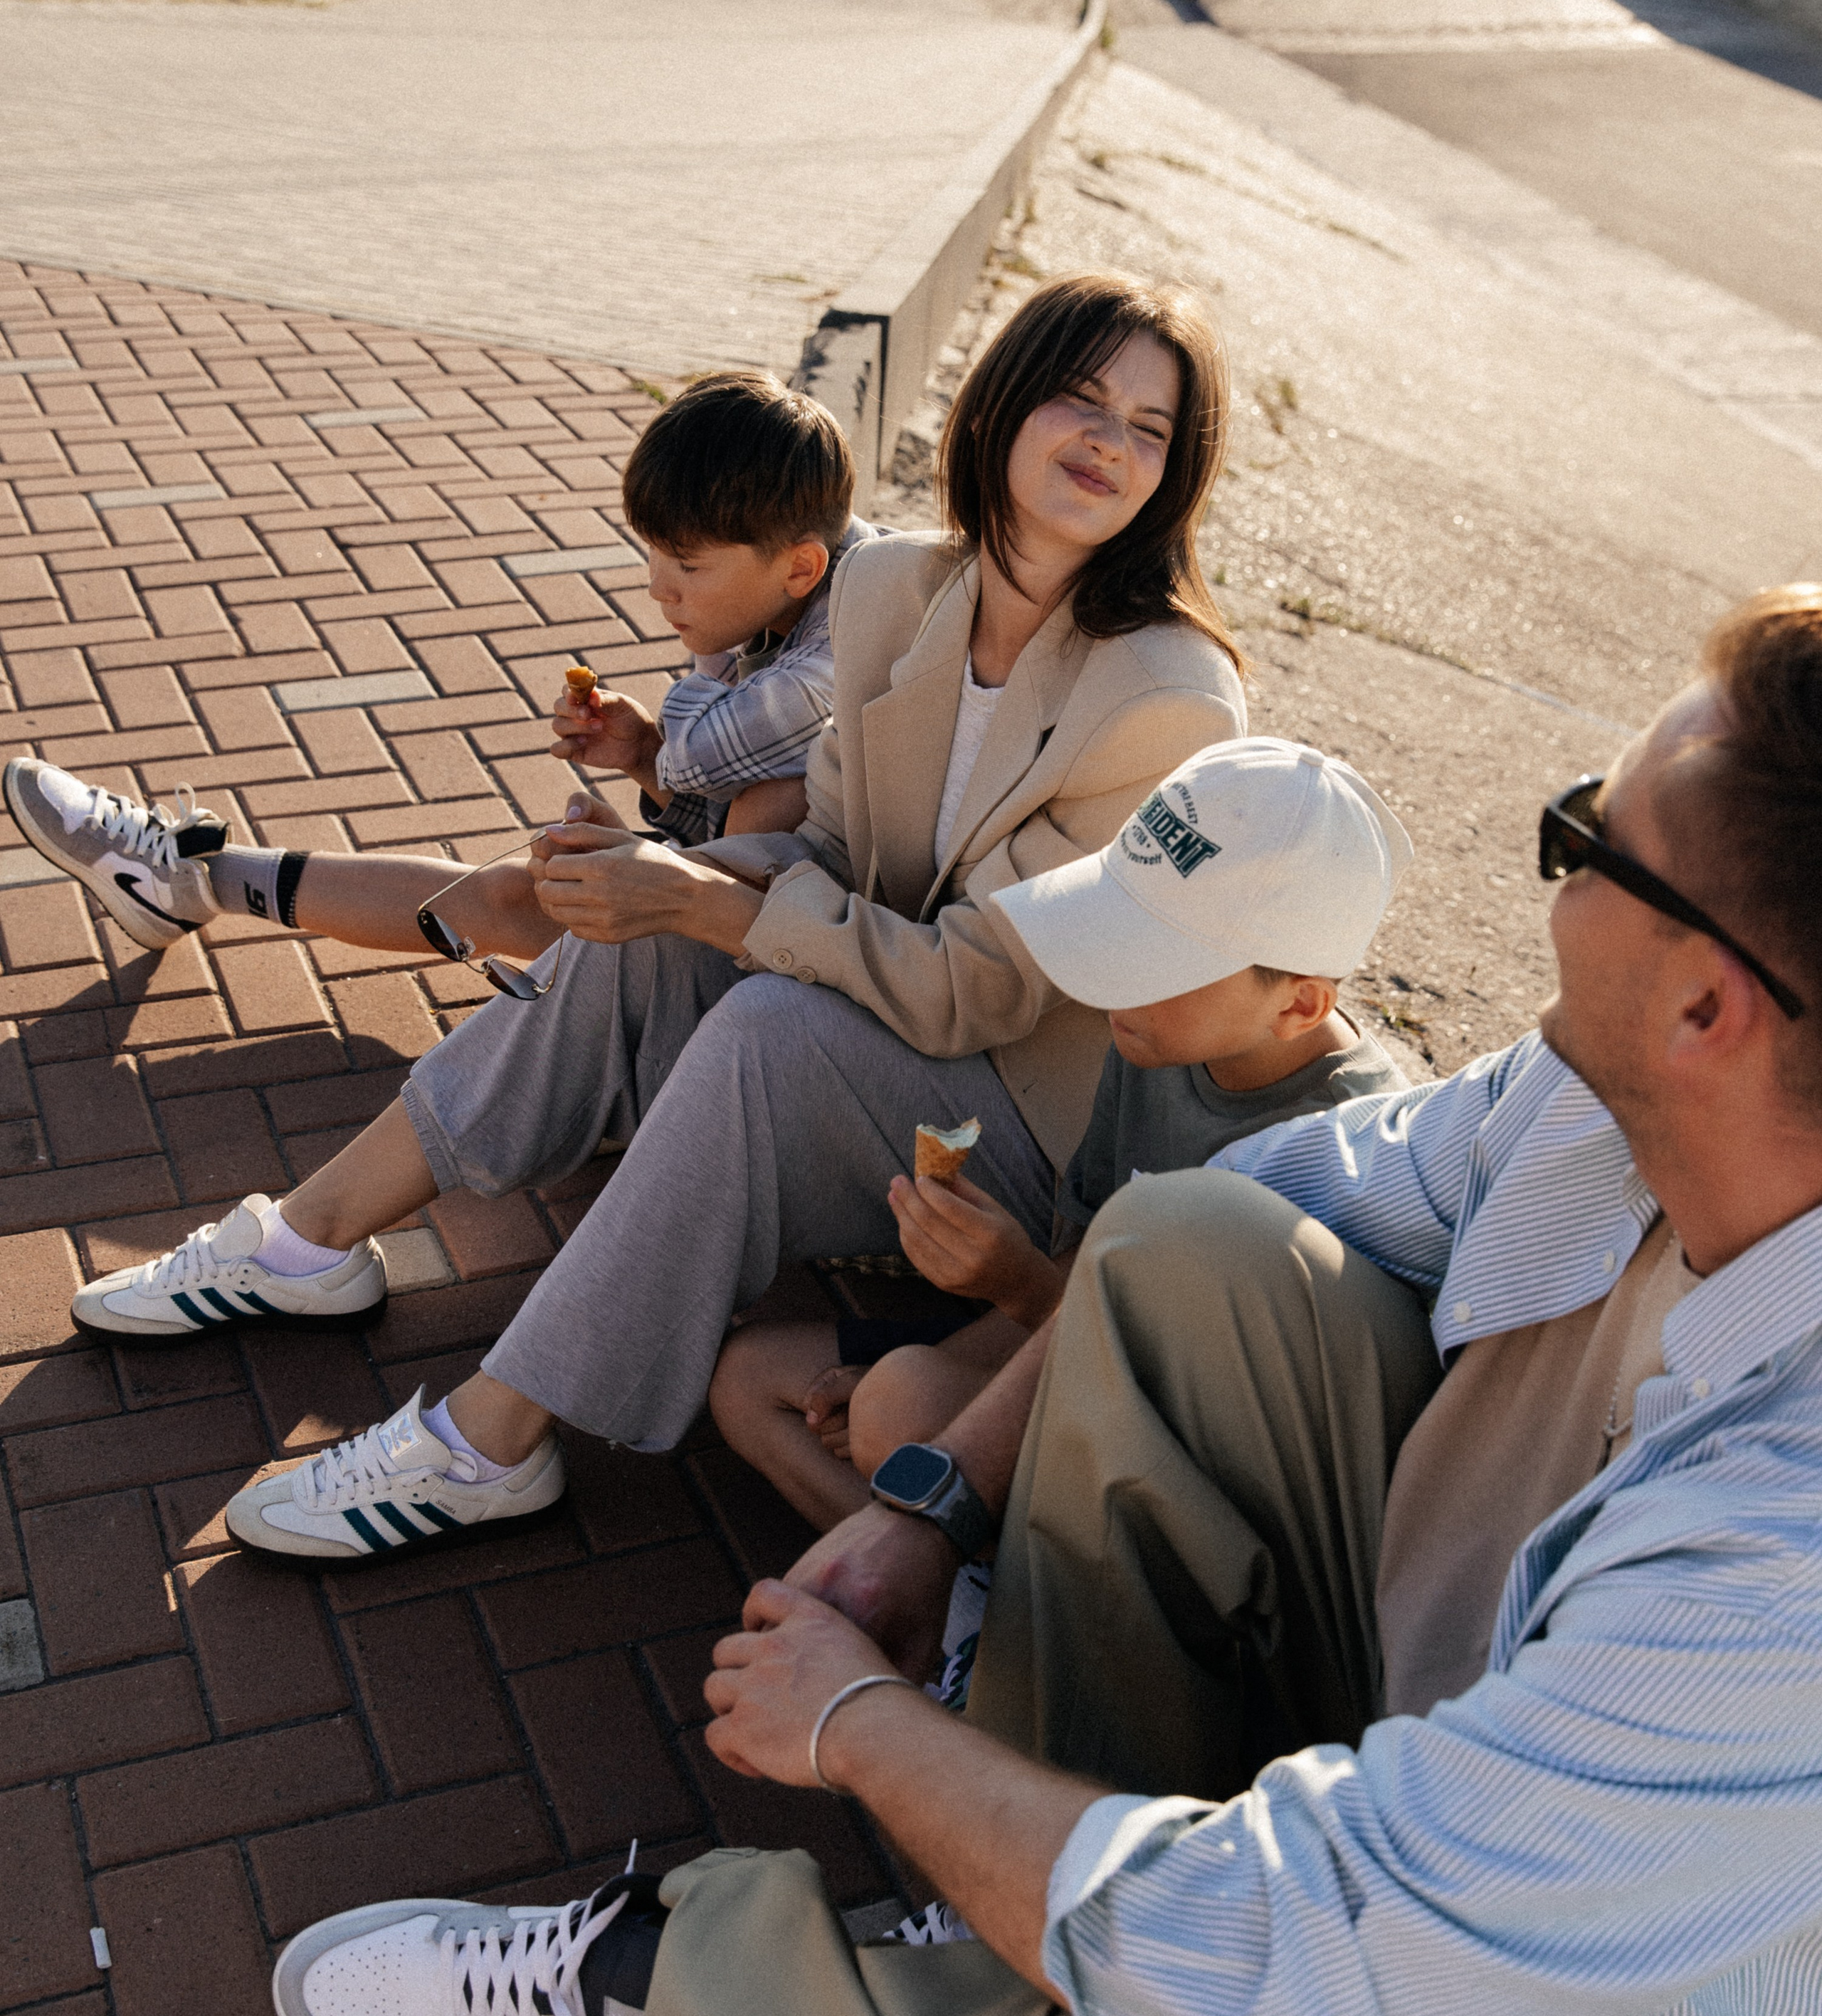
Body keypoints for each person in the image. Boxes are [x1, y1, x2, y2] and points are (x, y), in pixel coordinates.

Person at [273, 586, 1822, 2016]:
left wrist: (860, 1728)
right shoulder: (1599, 1093)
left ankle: (661, 1978)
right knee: (1198, 1240)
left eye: (1588, 834)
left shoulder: (1788, 1559)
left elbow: (1317, 1931)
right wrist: (927, 1497)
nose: (1550, 860)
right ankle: (1030, 1890)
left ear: (1712, 999)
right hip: (1472, 1760)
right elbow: (1285, 1185)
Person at [57, 272, 1248, 1567]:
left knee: (767, 1024)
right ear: (1005, 403)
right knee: (653, 929)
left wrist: (713, 899)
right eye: (1083, 397)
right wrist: (651, 874)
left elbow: (986, 990)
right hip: (894, 1027)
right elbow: (841, 849)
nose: (1109, 442)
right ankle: (309, 1240)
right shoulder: (898, 589)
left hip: (1017, 1123)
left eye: (1150, 426)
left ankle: (486, 1442)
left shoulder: (1166, 699)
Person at [710, 735, 1410, 1533]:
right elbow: (1087, 1258)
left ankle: (964, 1601)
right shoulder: (1160, 1034)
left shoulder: (1344, 1157)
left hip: (1180, 1473)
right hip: (1063, 1354)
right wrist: (965, 1347)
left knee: (897, 1410)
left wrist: (1012, 1287)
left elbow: (1188, 1422)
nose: (1109, 977)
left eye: (1156, 959)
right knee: (752, 1381)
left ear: (1297, 1005)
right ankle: (946, 1603)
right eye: (1117, 927)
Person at [4, 368, 871, 967]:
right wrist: (641, 751)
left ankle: (192, 877)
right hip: (758, 921)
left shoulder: (848, 640)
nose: (658, 588)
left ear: (799, 567)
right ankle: (193, 875)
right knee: (507, 898)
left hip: (794, 961)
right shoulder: (787, 583)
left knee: (518, 900)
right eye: (652, 554)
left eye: (687, 566)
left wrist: (663, 765)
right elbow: (689, 762)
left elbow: (704, 757)